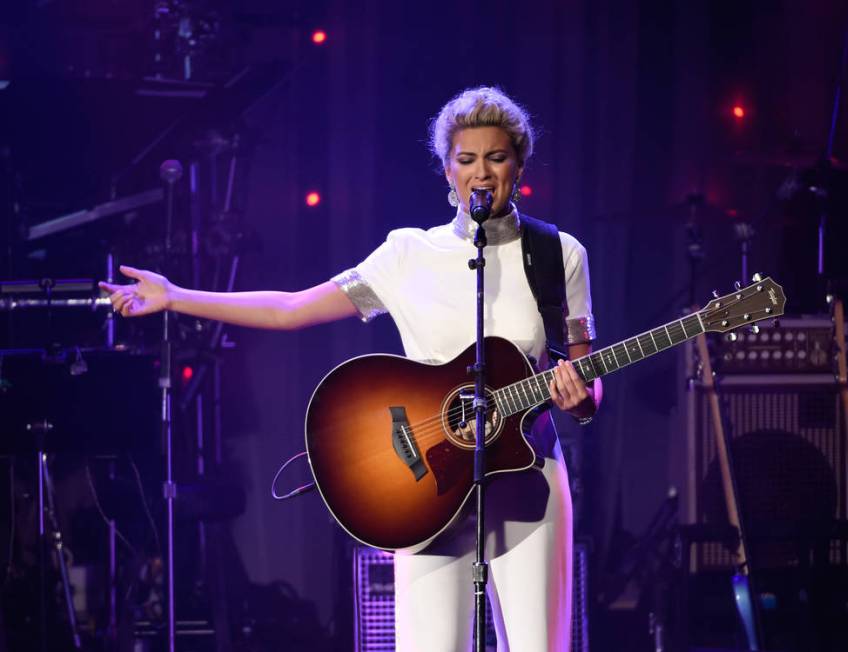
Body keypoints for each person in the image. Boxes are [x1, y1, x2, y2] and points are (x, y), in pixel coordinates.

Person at [100, 86, 602, 652]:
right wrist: (176, 296)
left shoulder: (559, 254)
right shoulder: (408, 254)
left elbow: (585, 378)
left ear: (519, 163)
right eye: (466, 160)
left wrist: (580, 397)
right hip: (427, 486)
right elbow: (291, 309)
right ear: (447, 169)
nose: (481, 173)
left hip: (527, 482)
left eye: (496, 158)